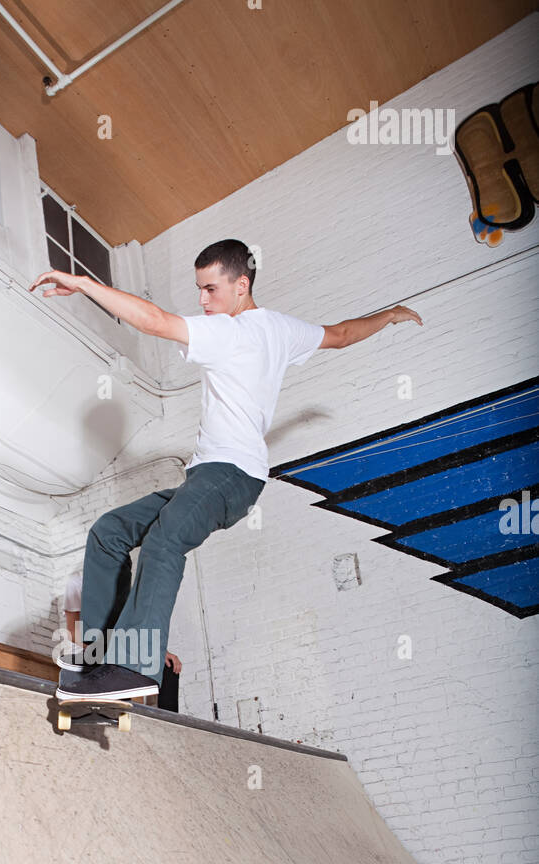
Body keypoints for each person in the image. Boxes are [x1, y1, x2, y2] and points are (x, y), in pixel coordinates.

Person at [31, 239, 422, 702]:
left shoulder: (229, 333)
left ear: (242, 285)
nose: (202, 301)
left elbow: (154, 320)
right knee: (109, 529)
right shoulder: (281, 328)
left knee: (164, 540)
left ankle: (133, 667)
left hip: (232, 476)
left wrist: (82, 284)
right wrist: (390, 314)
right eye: (199, 290)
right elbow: (339, 333)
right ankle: (97, 663)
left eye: (210, 290)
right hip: (208, 478)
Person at [60, 570, 181, 710]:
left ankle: (169, 723)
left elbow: (133, 627)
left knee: (167, 664)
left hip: (116, 646)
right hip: (88, 649)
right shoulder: (77, 581)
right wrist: (108, 649)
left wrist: (159, 651)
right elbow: (72, 632)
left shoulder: (122, 583)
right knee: (119, 661)